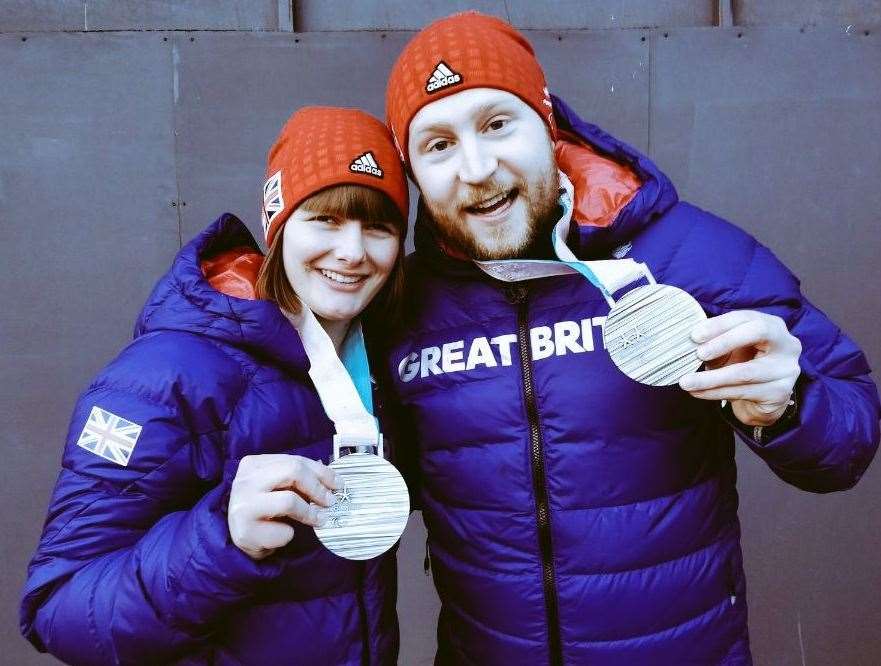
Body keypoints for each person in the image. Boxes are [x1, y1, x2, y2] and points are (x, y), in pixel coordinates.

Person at [380, 12, 880, 665]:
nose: (475, 168)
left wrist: (787, 405)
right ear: (414, 172)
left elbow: (848, 439)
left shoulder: (686, 255)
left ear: (547, 122)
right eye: (437, 145)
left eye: (497, 124)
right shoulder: (404, 307)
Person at [20, 107, 409, 665]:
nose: (352, 251)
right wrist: (221, 539)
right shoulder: (164, 376)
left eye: (378, 227)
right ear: (277, 225)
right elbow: (58, 610)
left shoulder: (374, 364)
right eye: (324, 219)